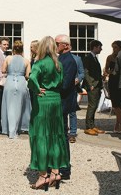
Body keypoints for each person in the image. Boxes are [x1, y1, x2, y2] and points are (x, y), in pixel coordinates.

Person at [28, 36, 68, 190]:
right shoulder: (58, 64)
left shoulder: (40, 63)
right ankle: (56, 172)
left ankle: (43, 175)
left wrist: (37, 89)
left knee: (41, 136)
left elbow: (31, 79)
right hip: (56, 100)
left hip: (43, 101)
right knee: (56, 135)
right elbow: (62, 82)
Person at [54, 34, 77, 180]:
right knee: (59, 135)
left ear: (66, 45)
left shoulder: (68, 60)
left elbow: (65, 83)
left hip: (63, 102)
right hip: (60, 101)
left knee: (62, 136)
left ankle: (64, 168)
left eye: (57, 43)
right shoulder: (62, 59)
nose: (55, 46)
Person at [0, 40, 31, 139]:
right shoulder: (26, 60)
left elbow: (3, 70)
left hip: (10, 81)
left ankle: (11, 130)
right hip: (21, 82)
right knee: (21, 106)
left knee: (9, 106)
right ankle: (18, 128)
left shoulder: (8, 58)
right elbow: (27, 75)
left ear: (13, 49)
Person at [83, 40, 105, 136]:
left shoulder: (94, 58)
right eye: (100, 47)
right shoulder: (88, 58)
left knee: (94, 106)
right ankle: (88, 127)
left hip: (97, 85)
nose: (101, 49)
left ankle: (92, 125)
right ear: (95, 47)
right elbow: (86, 72)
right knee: (92, 106)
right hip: (92, 85)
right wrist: (90, 84)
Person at [103, 40, 121, 133]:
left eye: (116, 47)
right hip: (113, 81)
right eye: (113, 47)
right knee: (115, 104)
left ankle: (118, 124)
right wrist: (110, 72)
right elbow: (106, 69)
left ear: (120, 48)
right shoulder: (110, 57)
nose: (114, 49)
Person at [68, 49, 85, 143]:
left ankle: (72, 133)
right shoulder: (58, 59)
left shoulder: (77, 59)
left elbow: (82, 72)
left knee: (72, 112)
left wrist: (78, 79)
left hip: (73, 88)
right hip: (61, 88)